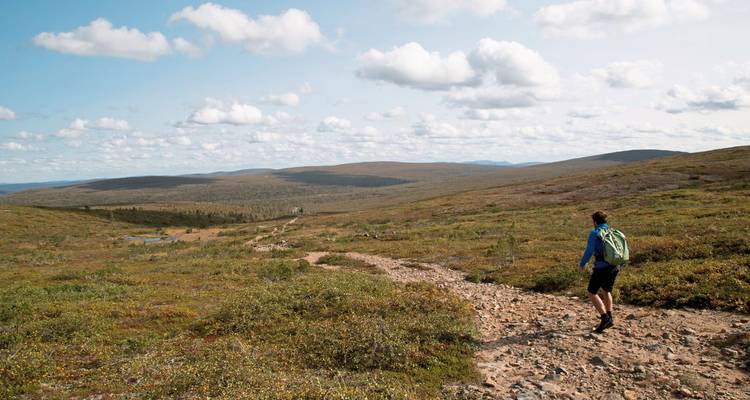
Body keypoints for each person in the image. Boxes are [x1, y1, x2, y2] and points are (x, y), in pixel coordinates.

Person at [579, 210, 619, 333]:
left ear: (595, 221)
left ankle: (604, 318)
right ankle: (610, 316)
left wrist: (582, 263)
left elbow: (589, 250)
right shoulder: (612, 231)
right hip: (614, 266)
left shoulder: (595, 232)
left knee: (592, 292)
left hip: (601, 267)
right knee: (607, 290)